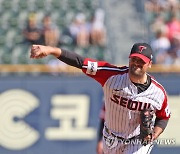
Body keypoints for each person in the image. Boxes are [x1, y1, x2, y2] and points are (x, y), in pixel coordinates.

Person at [30, 42, 171, 154]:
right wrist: (51, 50)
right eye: (134, 59)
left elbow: (163, 117)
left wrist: (153, 135)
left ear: (150, 64)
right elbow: (80, 61)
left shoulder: (158, 93)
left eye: (141, 61)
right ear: (129, 58)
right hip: (110, 138)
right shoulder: (111, 75)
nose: (136, 63)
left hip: (137, 141)